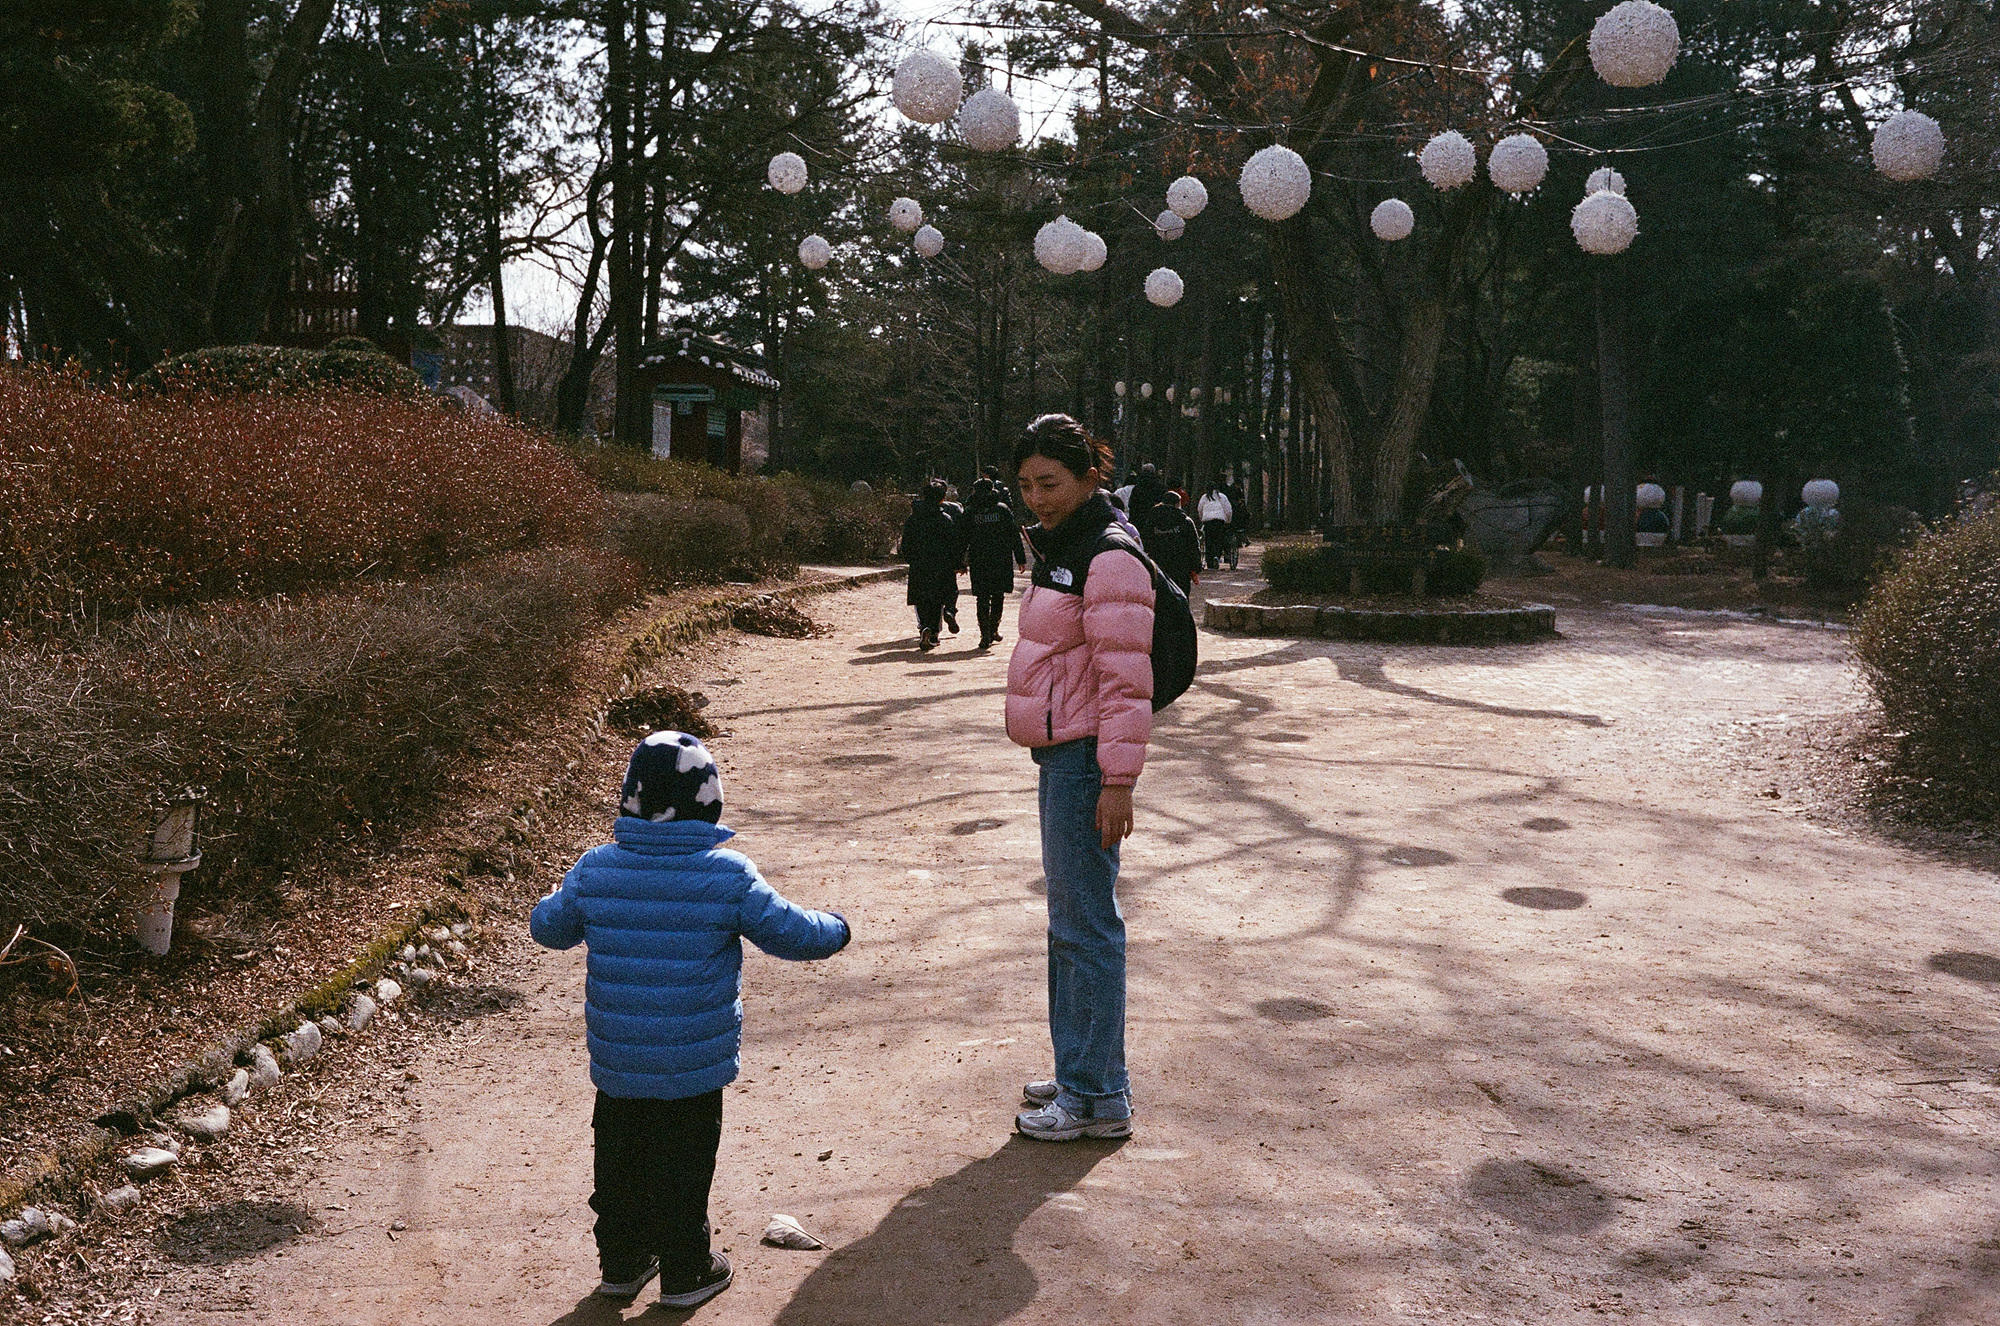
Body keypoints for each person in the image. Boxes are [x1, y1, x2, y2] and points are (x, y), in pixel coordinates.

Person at [530, 732, 850, 1308]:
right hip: (693, 1063)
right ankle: (686, 1269)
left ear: (630, 799)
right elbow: (792, 932)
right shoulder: (726, 875)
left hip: (621, 1060)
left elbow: (549, 928)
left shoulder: (596, 869)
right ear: (709, 803)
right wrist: (837, 927)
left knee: (620, 1162)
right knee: (684, 1164)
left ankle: (623, 1262)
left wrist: (562, 894)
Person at [1006, 414, 1155, 1142]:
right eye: (1026, 484)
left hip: (1088, 760)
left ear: (1090, 477)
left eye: (1051, 483)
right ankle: (1083, 1070)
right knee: (1070, 921)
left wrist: (1117, 780)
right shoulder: (1065, 543)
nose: (1037, 497)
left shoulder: (1107, 556)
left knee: (1086, 925)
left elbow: (1126, 682)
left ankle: (1096, 1096)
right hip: (1063, 753)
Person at [900, 479, 967, 649]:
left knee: (922, 599)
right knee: (938, 600)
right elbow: (954, 545)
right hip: (941, 566)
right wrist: (959, 563)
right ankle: (936, 631)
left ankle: (925, 628)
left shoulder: (913, 519)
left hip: (919, 566)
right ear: (942, 498)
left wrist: (911, 559)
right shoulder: (945, 519)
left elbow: (905, 544)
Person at [965, 475, 1028, 649]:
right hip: (1001, 559)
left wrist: (959, 562)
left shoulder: (970, 512)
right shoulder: (1002, 510)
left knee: (982, 597)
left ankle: (985, 634)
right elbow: (1014, 535)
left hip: (979, 560)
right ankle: (993, 629)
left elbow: (961, 538)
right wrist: (1020, 559)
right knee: (998, 595)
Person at [1140, 490, 1202, 597]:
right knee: (1182, 595)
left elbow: (1145, 541)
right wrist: (1195, 568)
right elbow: (1193, 545)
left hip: (1158, 565)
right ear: (1178, 504)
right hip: (1181, 567)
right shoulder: (1185, 521)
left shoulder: (1152, 520)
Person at [1197, 483, 1234, 571]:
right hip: (1219, 520)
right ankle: (1217, 556)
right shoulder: (1222, 497)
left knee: (1209, 540)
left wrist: (1202, 519)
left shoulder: (1204, 497)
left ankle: (1210, 561)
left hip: (1207, 521)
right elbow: (1228, 510)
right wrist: (1228, 520)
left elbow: (1199, 509)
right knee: (1218, 539)